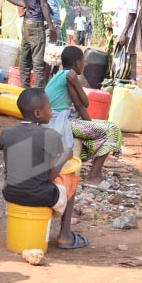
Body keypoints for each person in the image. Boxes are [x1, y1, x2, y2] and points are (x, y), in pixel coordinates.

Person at [0, 88, 88, 250]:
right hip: (38, 196)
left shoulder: (7, 132)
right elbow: (51, 175)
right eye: (49, 108)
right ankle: (65, 235)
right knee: (71, 179)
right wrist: (65, 156)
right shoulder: (51, 135)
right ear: (38, 113)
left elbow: (11, 163)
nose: (51, 112)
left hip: (10, 193)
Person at [45, 47, 123, 186]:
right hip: (57, 121)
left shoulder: (61, 74)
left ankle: (95, 172)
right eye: (83, 62)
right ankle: (93, 177)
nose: (85, 65)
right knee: (111, 130)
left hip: (58, 118)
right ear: (77, 63)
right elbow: (83, 104)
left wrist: (91, 125)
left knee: (106, 126)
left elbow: (80, 106)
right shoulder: (70, 77)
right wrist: (92, 126)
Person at [7, 0, 57, 89]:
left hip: (26, 24)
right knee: (38, 62)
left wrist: (25, 4)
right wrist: (51, 27)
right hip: (36, 24)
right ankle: (37, 94)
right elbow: (43, 4)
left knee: (24, 59)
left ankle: (24, 90)